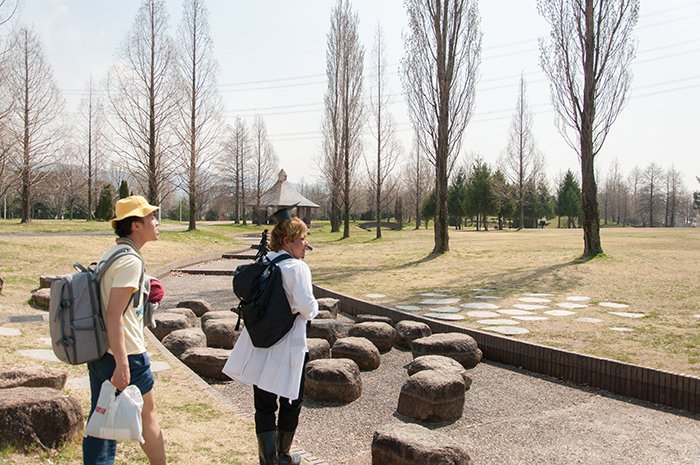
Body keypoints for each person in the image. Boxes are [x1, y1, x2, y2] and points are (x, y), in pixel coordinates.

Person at [223, 211, 318, 465]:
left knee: (264, 405)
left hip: (260, 343)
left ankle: (267, 460)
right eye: (303, 240)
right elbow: (307, 308)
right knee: (291, 401)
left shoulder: (265, 261)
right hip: (289, 345)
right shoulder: (297, 268)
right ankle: (284, 456)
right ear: (288, 241)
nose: (306, 245)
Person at [83, 195, 166, 465]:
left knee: (101, 419)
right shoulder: (130, 260)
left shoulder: (114, 253)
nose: (156, 221)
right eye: (150, 217)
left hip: (101, 352)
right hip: (126, 353)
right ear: (135, 226)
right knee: (147, 415)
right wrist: (122, 363)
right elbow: (114, 314)